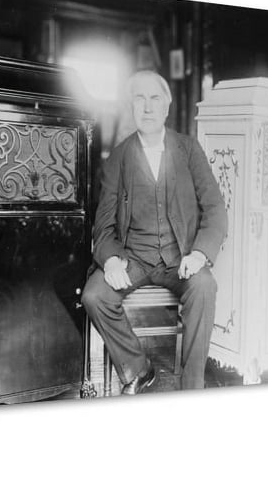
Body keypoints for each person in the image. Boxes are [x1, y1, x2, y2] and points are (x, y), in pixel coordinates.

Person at [81, 70, 227, 395]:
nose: (147, 107)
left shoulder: (189, 150)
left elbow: (216, 209)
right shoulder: (118, 158)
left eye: (155, 99)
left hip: (180, 259)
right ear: (131, 107)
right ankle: (138, 368)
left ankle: (192, 389)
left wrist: (199, 254)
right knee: (94, 296)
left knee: (204, 286)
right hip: (133, 258)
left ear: (167, 106)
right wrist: (112, 260)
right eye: (139, 99)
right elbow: (103, 224)